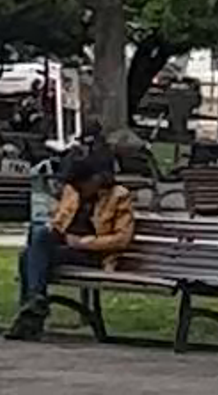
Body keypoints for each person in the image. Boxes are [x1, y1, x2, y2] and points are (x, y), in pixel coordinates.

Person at [15, 140, 139, 335]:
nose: (78, 190)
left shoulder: (119, 196)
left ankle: (31, 313)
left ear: (96, 179)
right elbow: (62, 217)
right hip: (66, 245)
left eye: (81, 185)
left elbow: (122, 238)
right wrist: (54, 227)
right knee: (38, 235)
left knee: (27, 257)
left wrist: (84, 243)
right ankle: (34, 303)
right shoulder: (73, 191)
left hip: (93, 254)